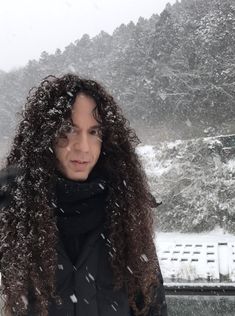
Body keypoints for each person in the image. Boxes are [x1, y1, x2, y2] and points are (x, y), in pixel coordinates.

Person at [0, 74, 167, 316]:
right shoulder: (13, 218)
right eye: (68, 130)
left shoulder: (127, 218)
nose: (83, 147)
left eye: (94, 132)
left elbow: (153, 308)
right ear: (44, 135)